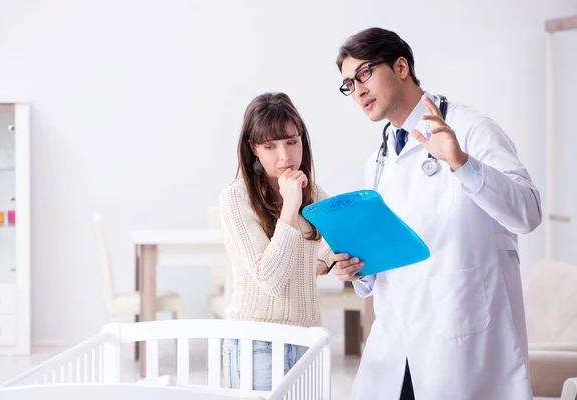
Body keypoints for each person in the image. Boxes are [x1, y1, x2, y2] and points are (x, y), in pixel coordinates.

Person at [329, 27, 542, 400]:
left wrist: (462, 163)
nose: (358, 90)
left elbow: (528, 212)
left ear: (401, 67)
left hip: (462, 347)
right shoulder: (378, 162)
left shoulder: (472, 129)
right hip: (397, 350)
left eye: (364, 73)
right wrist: (357, 271)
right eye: (349, 83)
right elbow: (387, 260)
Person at [219, 92, 333, 390]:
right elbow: (269, 279)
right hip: (259, 343)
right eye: (270, 146)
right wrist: (290, 207)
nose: (285, 156)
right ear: (253, 149)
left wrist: (323, 263)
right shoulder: (237, 196)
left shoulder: (316, 194)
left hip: (308, 339)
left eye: (291, 142)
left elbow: (333, 246)